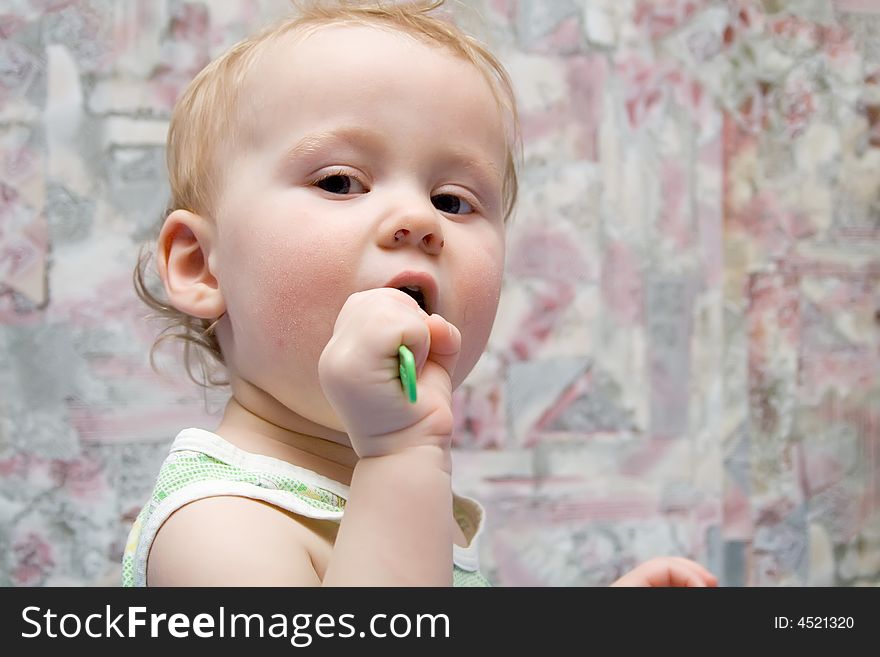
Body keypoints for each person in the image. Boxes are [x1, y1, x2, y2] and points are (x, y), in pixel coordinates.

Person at [122, 0, 717, 588]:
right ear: (203, 266)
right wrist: (399, 453)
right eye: (340, 182)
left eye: (453, 200)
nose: (418, 218)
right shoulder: (216, 530)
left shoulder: (400, 497)